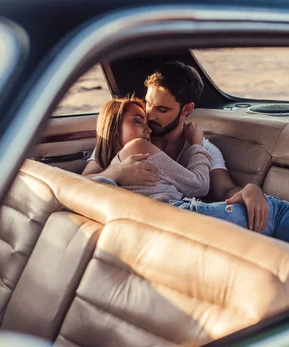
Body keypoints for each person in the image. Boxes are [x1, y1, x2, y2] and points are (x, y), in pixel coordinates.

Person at [92, 95, 289, 287]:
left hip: (151, 227)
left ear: (186, 110)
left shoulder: (105, 163)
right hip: (176, 218)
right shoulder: (137, 147)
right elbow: (198, 184)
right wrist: (196, 145)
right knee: (284, 210)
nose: (149, 125)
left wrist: (111, 172)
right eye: (140, 119)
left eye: (158, 111)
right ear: (113, 128)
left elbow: (75, 184)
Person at [83, 61, 269, 233]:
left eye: (162, 110)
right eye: (148, 103)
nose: (149, 114)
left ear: (186, 110)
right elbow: (80, 182)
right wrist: (116, 173)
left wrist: (250, 190)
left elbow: (225, 191)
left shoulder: (205, 149)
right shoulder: (130, 137)